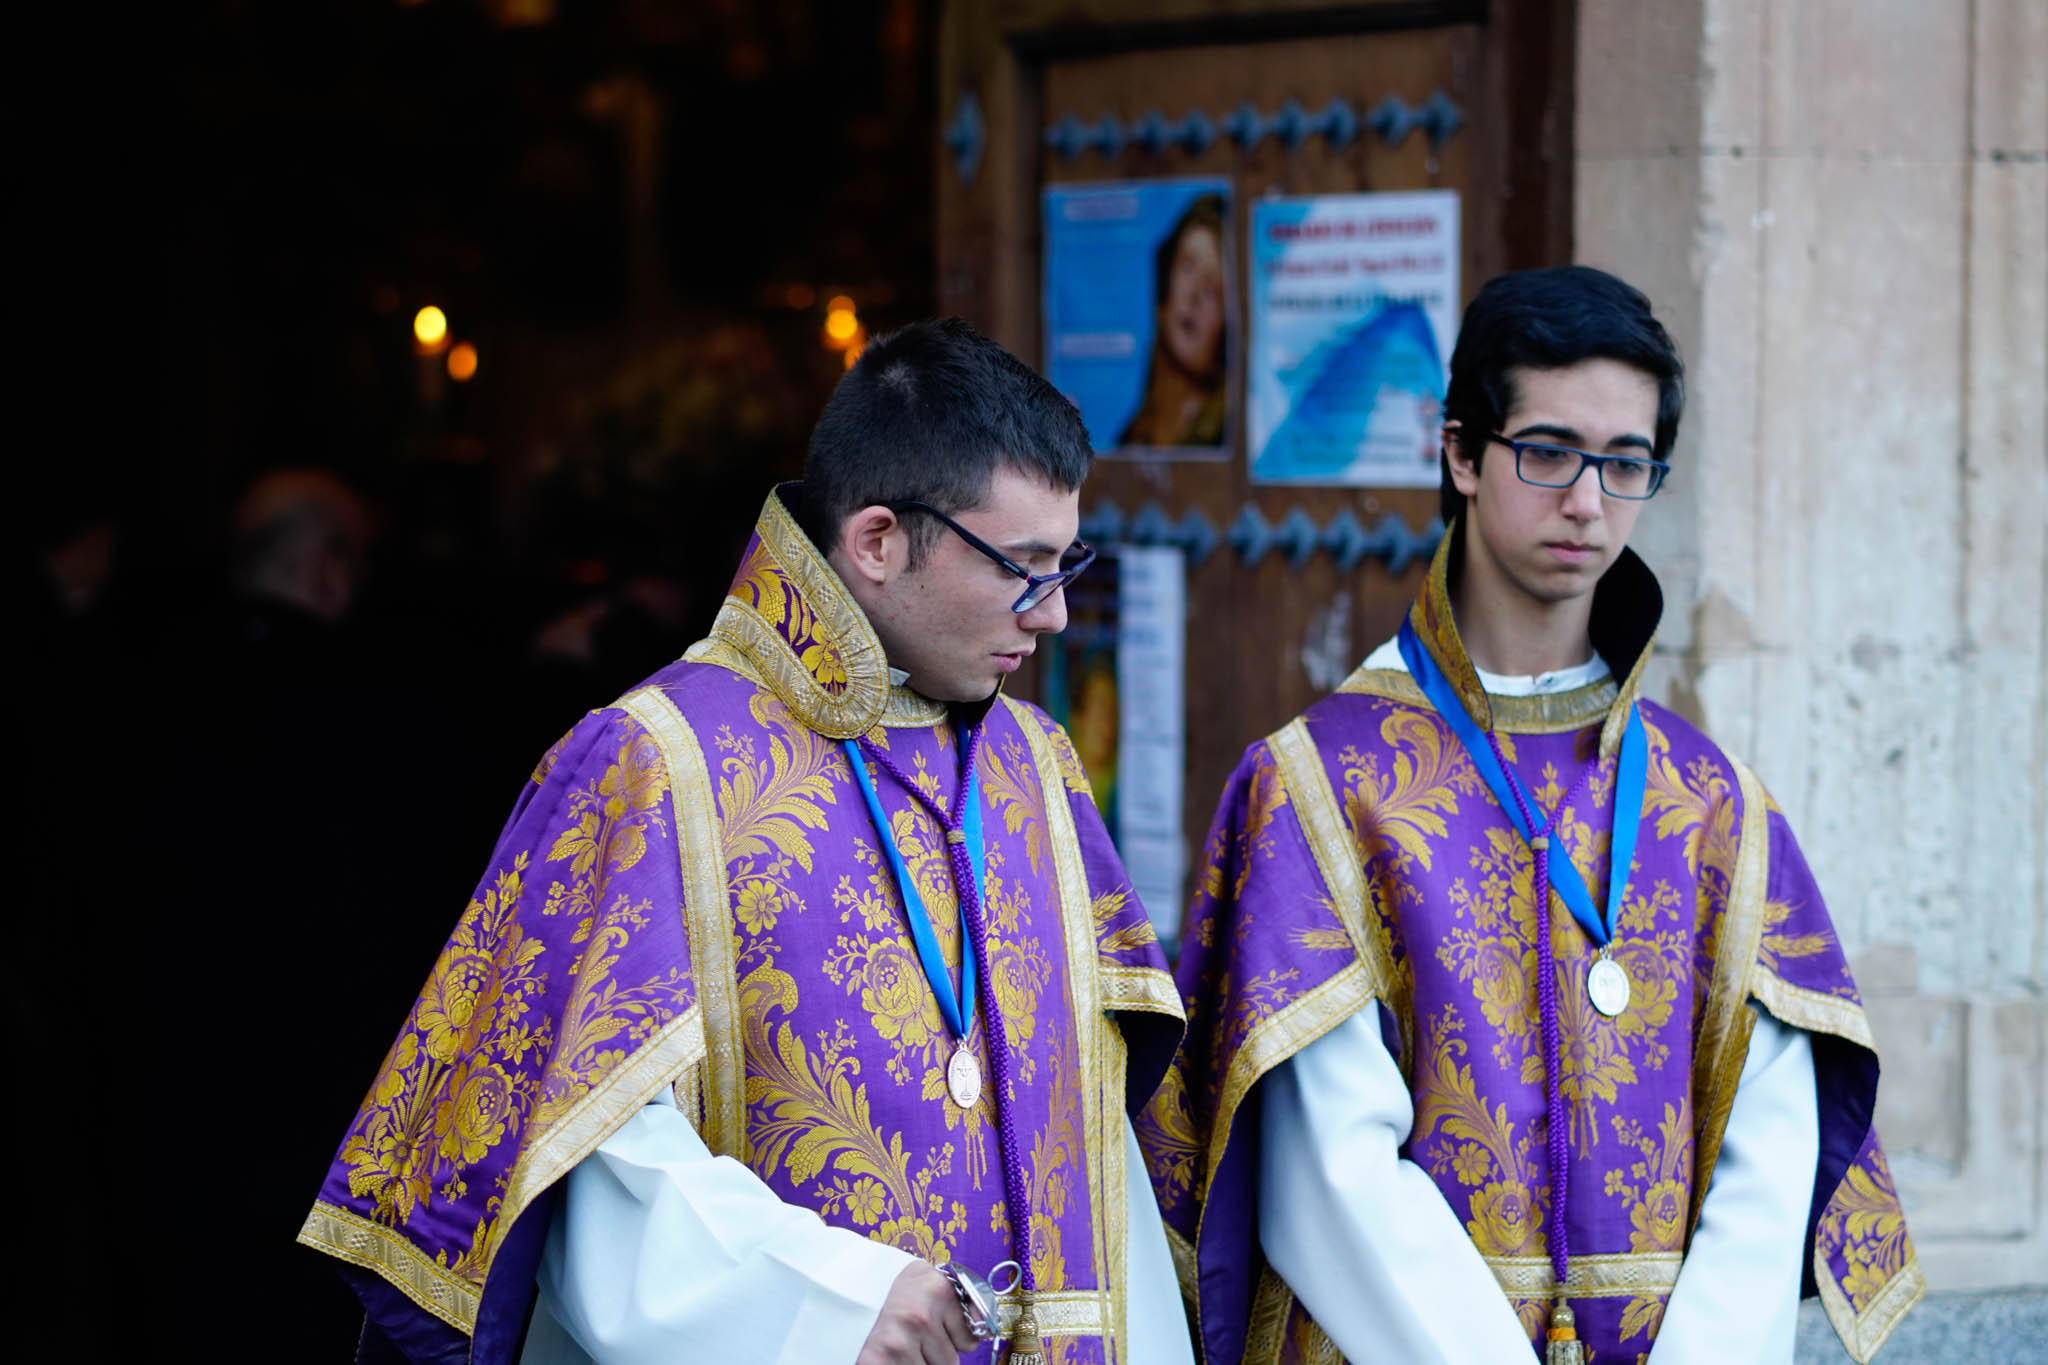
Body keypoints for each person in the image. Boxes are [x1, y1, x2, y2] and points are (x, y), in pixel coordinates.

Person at [300, 319, 1193, 1365]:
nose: (1052, 616)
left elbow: (1102, 1161)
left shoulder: (1035, 766)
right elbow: (587, 1158)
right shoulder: (653, 765)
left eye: (1066, 562)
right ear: (875, 542)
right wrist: (828, 1301)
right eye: (1023, 568)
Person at [1138, 267, 1921, 1364]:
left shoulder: (1714, 808)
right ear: (1459, 452)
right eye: (1546, 452)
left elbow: (1765, 1156)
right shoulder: (1319, 786)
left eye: (1625, 463)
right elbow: (1327, 1177)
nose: (1586, 501)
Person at [1118, 193, 1226, 449]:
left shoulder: (1224, 434)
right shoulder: (1135, 431)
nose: (1193, 296)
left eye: (1212, 288)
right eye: (1187, 267)